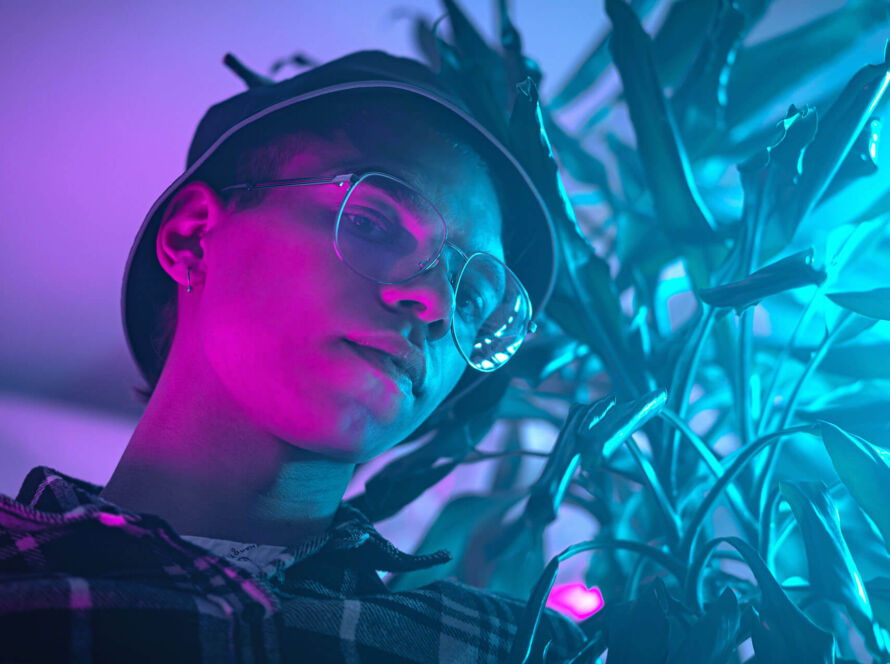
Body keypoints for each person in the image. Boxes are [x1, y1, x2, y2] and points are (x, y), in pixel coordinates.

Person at [0, 50, 586, 662]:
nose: (437, 301)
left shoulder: (516, 649)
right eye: (372, 223)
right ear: (192, 236)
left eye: (471, 300)